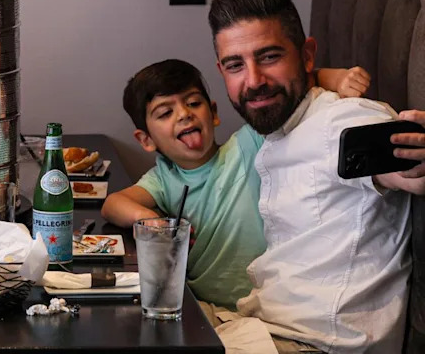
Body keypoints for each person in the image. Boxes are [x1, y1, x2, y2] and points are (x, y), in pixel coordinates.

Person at [208, 0, 424, 354]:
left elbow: (405, 167)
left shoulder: (345, 123)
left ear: (307, 56)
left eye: (270, 56)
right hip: (261, 329)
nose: (254, 80)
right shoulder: (279, 128)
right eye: (235, 65)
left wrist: (416, 163)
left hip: (316, 346)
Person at [101, 59, 370, 310]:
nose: (184, 115)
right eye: (165, 113)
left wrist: (337, 77)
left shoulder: (248, 144)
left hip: (266, 302)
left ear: (214, 113)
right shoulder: (163, 179)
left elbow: (296, 84)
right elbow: (113, 204)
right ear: (146, 140)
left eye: (193, 103)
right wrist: (148, 219)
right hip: (204, 307)